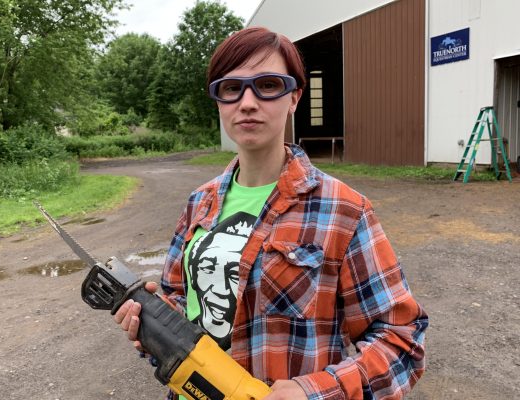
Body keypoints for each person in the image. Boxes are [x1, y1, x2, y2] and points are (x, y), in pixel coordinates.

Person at [115, 26, 428, 400]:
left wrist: (313, 392)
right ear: (218, 101)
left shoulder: (343, 210)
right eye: (231, 88)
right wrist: (152, 320)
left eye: (267, 85)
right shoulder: (200, 202)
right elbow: (181, 297)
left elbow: (400, 341)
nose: (247, 102)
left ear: (294, 97)